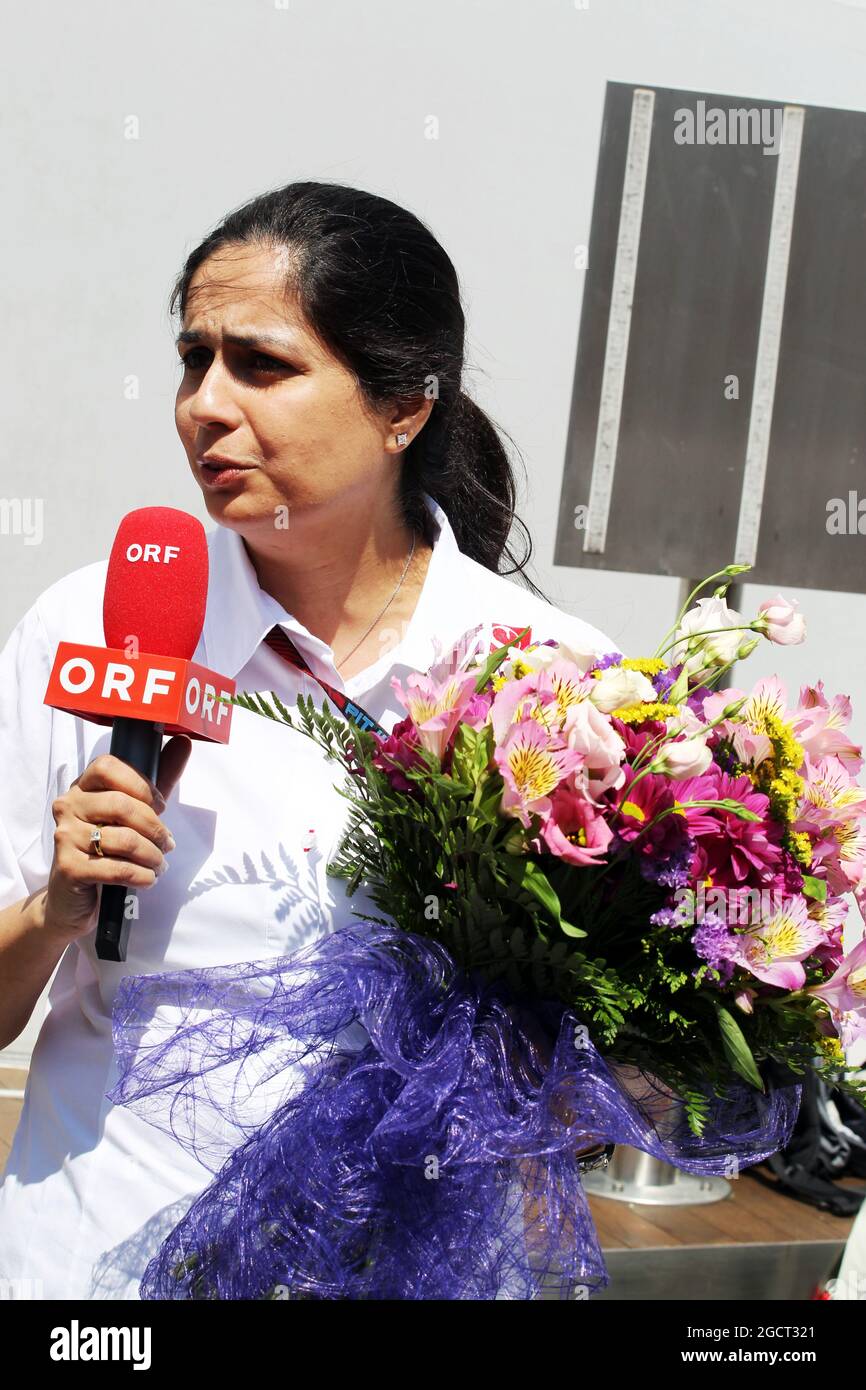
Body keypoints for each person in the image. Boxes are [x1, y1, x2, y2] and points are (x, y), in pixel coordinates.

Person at [0, 181, 619, 1299]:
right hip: (98, 1284)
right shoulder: (82, 628)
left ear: (403, 406)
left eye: (261, 365)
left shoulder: (553, 678)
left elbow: (612, 1060)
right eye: (193, 360)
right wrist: (57, 910)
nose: (205, 404)